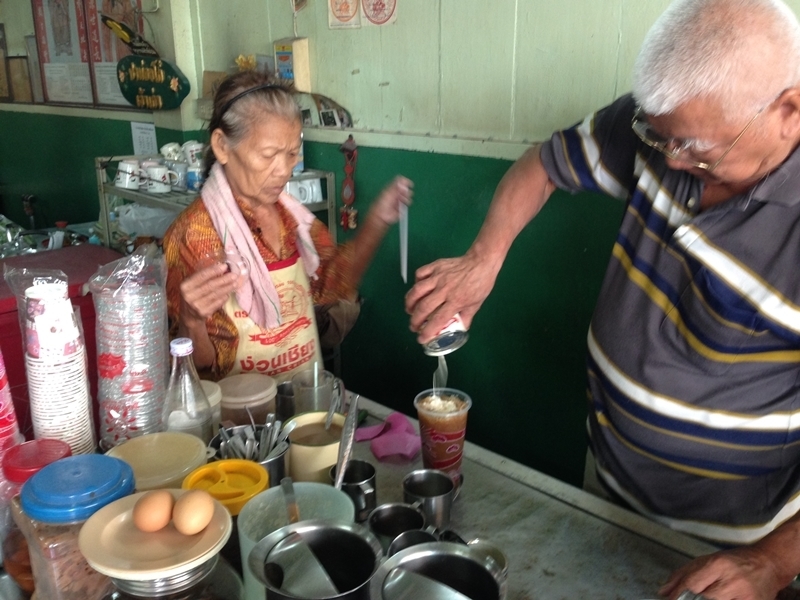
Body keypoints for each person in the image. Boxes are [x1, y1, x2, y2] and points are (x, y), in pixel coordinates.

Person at [405, 1, 800, 598]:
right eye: (659, 137)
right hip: (610, 485)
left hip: (732, 541)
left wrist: (773, 561)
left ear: (789, 112)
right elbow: (544, 165)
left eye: (697, 149)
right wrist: (483, 258)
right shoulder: (667, 125)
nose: (670, 162)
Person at [164, 71, 412, 383]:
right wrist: (191, 321)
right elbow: (197, 373)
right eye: (269, 155)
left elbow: (330, 285)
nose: (284, 171)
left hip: (307, 406)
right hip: (242, 424)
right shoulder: (194, 235)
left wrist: (377, 220)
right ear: (222, 147)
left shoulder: (289, 217)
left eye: (292, 153)